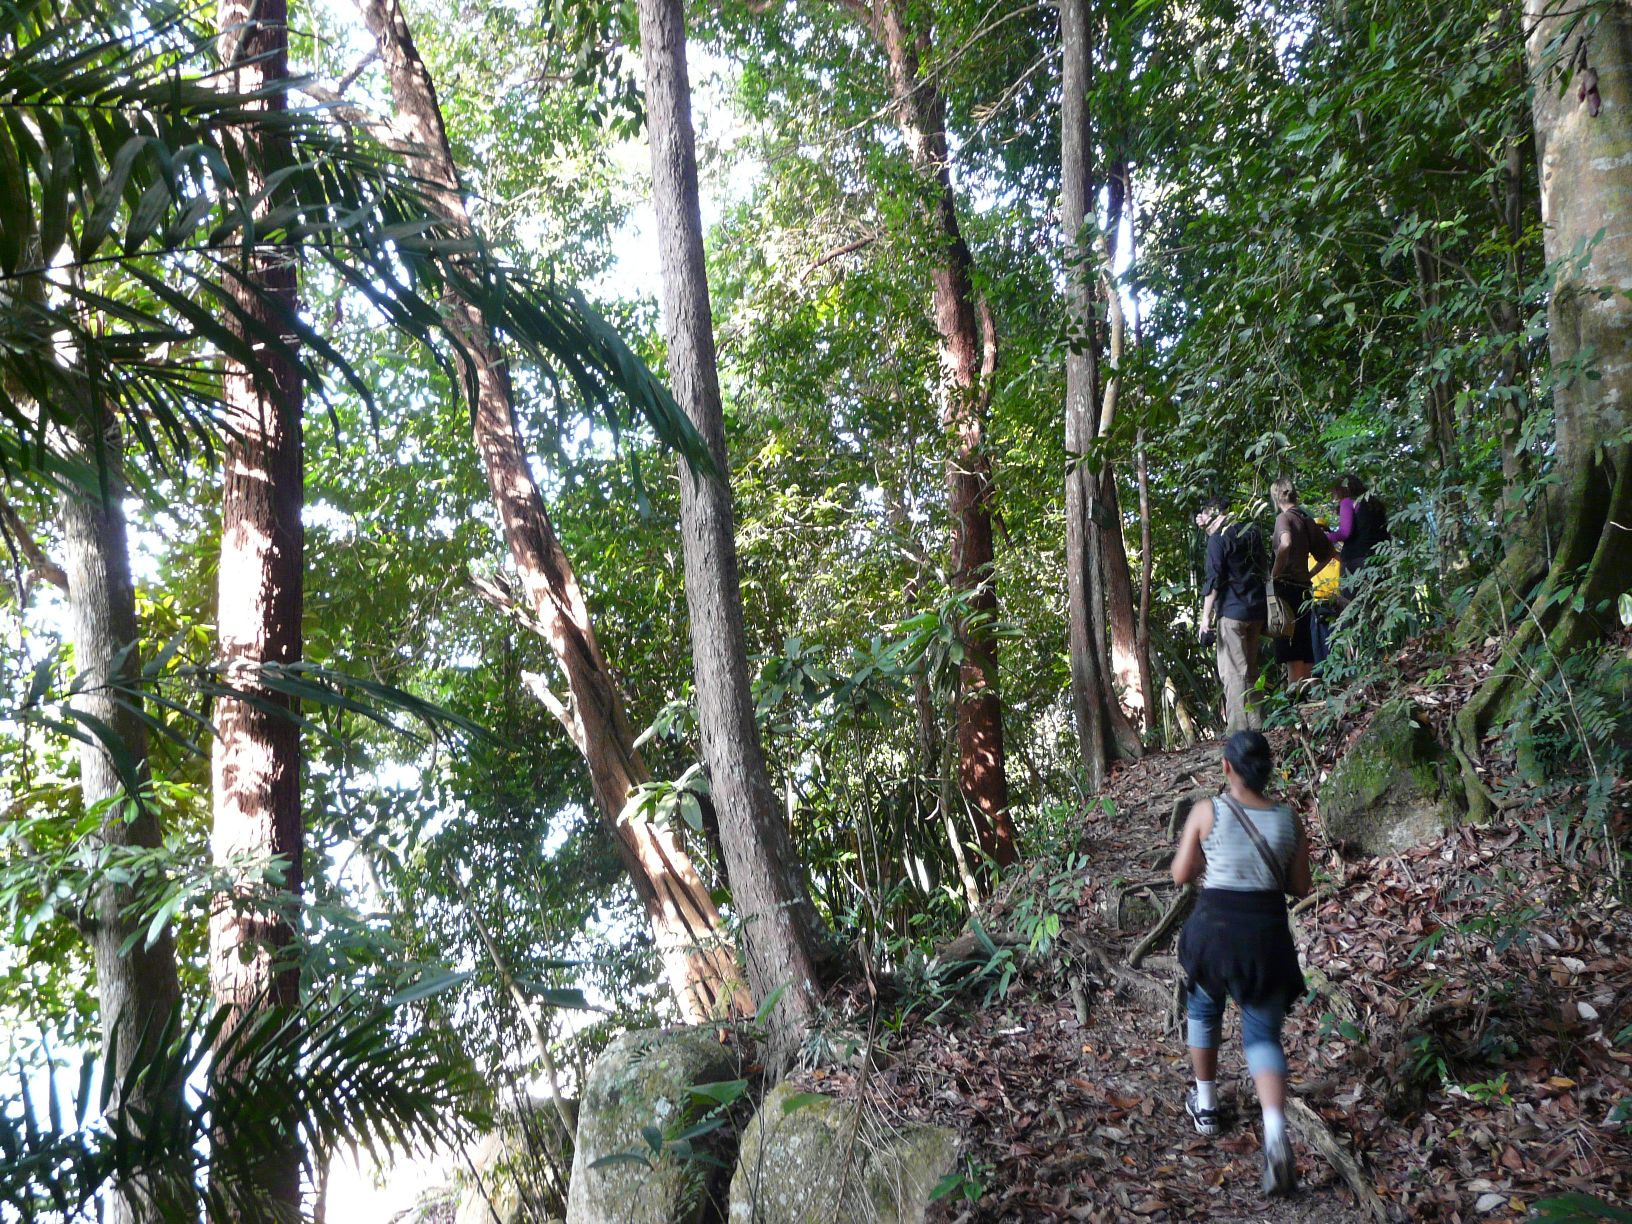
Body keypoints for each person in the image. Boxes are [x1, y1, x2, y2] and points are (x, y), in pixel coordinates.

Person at [1172, 731, 1312, 1197]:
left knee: (1202, 1008)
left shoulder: (1207, 811)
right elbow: (1301, 887)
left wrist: (1212, 858)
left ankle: (1207, 1105)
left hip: (1214, 934)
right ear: (1267, 770)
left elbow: (1181, 874)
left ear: (1227, 768)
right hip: (1265, 938)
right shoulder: (1289, 819)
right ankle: (1275, 1132)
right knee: (1262, 1036)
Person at [1195, 495, 1267, 734]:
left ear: (1214, 513)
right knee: (1250, 669)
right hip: (1256, 610)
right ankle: (1257, 724)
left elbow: (1213, 580)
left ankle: (1238, 731)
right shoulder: (1250, 532)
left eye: (1205, 513)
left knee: (1233, 673)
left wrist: (1205, 619)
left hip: (1232, 614)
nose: (1202, 518)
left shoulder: (1218, 539)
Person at [1268, 477, 1326, 686]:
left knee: (1290, 644)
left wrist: (1274, 575)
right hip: (1304, 588)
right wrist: (1309, 575)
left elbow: (1285, 543)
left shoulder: (1284, 518)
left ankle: (1296, 696)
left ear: (1276, 497)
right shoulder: (1306, 519)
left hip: (1287, 587)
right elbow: (1327, 554)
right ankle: (1309, 693)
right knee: (1304, 643)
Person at [1327, 474, 1390, 603]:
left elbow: (1345, 533)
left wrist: (1324, 536)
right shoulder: (1375, 504)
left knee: (1353, 605)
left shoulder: (1347, 502)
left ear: (1342, 490)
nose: (1335, 497)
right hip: (1379, 559)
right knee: (1377, 602)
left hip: (1355, 562)